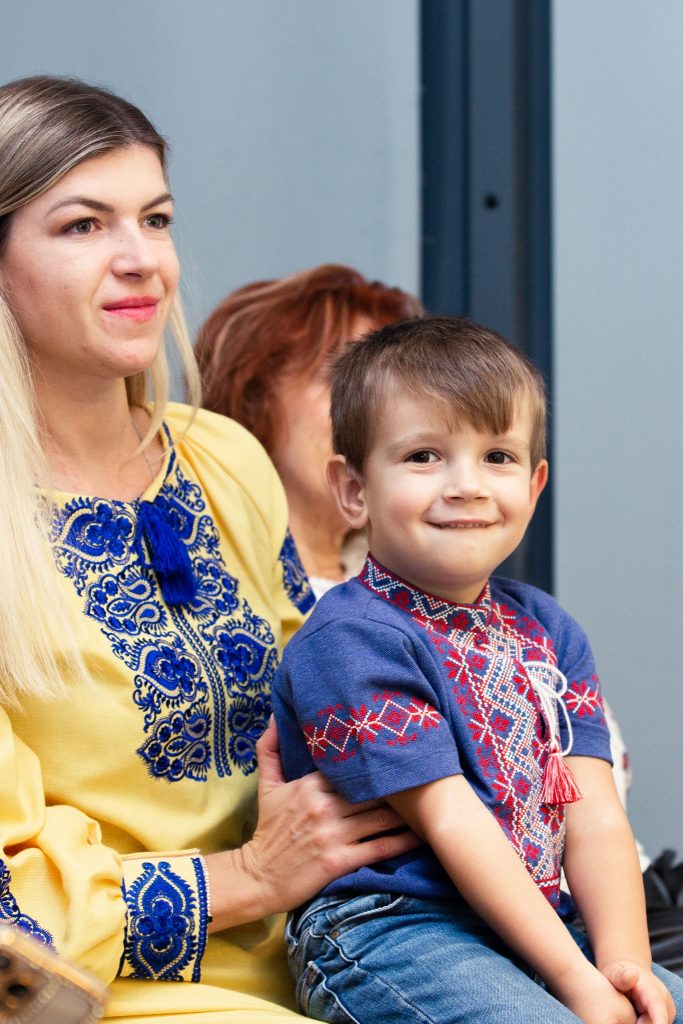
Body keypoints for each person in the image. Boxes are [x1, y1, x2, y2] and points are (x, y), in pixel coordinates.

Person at [0, 75, 419, 1024]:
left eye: (155, 219)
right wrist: (248, 877)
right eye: (82, 226)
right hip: (127, 999)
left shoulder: (221, 456)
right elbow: (7, 918)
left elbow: (328, 692)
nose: (140, 259)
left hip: (350, 944)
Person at [272, 317, 683, 1023]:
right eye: (425, 456)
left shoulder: (548, 629)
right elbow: (452, 820)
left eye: (497, 456)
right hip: (393, 930)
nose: (466, 486)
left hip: (542, 924)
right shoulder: (350, 638)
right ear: (353, 488)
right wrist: (572, 979)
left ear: (534, 482)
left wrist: (620, 967)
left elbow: (593, 814)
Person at [195, 264, 423, 597]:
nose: (383, 414)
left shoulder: (420, 588)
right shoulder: (198, 584)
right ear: (253, 399)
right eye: (347, 382)